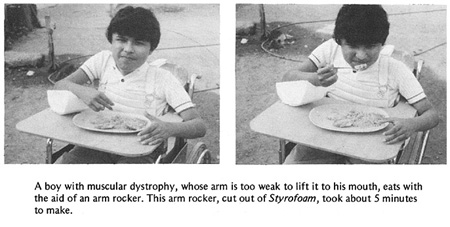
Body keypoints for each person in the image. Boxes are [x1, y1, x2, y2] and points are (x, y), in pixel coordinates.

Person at [282, 5, 439, 164]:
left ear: (382, 44)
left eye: (371, 46)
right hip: (323, 138)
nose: (362, 55)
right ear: (339, 41)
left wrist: (413, 124)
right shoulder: (330, 50)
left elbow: (432, 115)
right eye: (352, 46)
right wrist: (315, 78)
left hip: (371, 148)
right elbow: (288, 78)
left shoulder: (395, 69)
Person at [54, 6, 206, 164]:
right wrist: (81, 91)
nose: (128, 49)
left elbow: (199, 126)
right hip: (95, 144)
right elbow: (59, 85)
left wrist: (169, 128)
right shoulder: (102, 61)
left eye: (138, 43)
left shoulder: (162, 78)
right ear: (111, 40)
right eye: (121, 40)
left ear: (151, 49)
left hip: (142, 150)